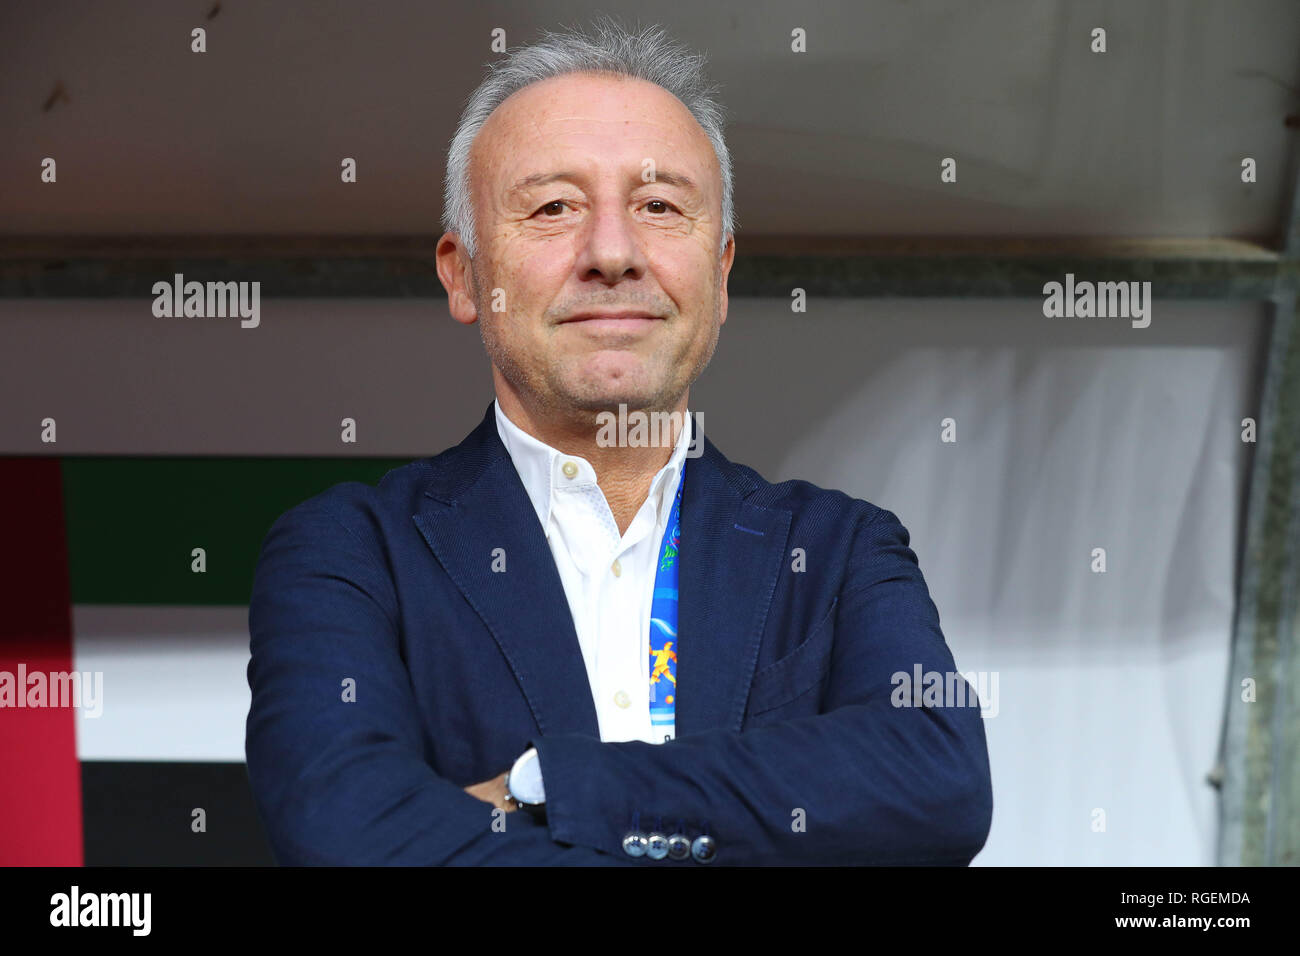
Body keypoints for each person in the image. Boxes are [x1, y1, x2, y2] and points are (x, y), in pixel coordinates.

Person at [245, 16, 992, 865]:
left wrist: (553, 785)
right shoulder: (351, 551)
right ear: (464, 275)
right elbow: (348, 833)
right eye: (555, 206)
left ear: (719, 275)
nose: (612, 251)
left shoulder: (837, 551)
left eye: (660, 206)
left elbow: (939, 782)